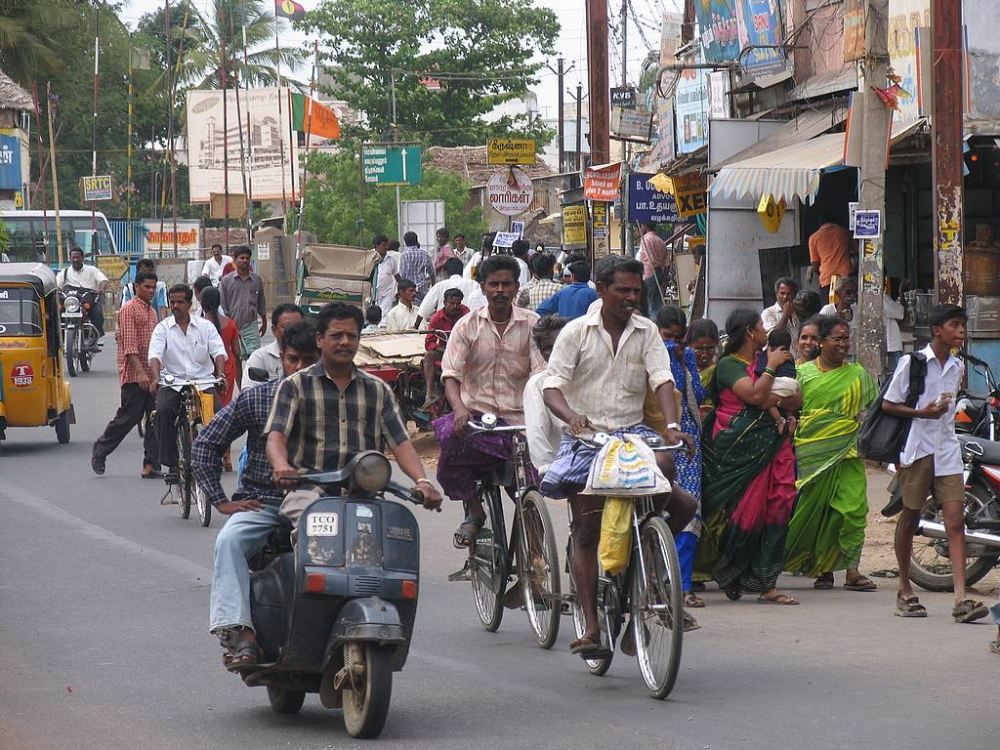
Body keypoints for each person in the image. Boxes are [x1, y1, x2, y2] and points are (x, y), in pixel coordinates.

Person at [540, 255, 695, 654]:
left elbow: (662, 379)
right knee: (586, 532)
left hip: (632, 434)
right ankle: (592, 628)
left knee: (679, 495)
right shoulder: (576, 332)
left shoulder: (647, 331)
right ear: (601, 289)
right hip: (587, 438)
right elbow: (551, 386)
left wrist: (672, 425)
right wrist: (571, 417)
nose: (631, 298)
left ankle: (647, 560)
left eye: (636, 291)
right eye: (622, 290)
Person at [194, 320, 320, 669]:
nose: (300, 368)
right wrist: (221, 501)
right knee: (229, 542)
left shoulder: (335, 403)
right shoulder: (259, 398)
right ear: (282, 358)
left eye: (309, 360)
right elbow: (206, 443)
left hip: (319, 505)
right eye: (293, 359)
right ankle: (240, 635)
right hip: (262, 501)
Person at [265, 303, 442, 527]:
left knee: (394, 537)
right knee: (316, 534)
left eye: (351, 336)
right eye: (336, 335)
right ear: (319, 339)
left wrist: (423, 481)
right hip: (308, 492)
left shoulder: (378, 389)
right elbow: (276, 437)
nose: (345, 342)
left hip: (366, 494)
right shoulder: (295, 385)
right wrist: (281, 465)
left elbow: (401, 443)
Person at [883, 304, 990, 623]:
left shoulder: (957, 366)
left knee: (955, 522)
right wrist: (922, 412)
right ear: (937, 330)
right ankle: (904, 589)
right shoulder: (913, 363)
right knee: (910, 518)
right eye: (954, 325)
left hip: (947, 450)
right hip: (917, 449)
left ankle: (961, 599)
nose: (961, 331)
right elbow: (889, 404)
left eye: (962, 325)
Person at [435, 255, 544, 547]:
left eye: (506, 284)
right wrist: (459, 409)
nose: (500, 290)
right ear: (483, 287)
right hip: (477, 420)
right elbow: (451, 375)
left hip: (520, 422)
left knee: (530, 488)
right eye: (494, 284)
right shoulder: (466, 326)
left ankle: (535, 553)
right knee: (449, 440)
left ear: (516, 287)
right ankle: (475, 510)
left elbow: (541, 374)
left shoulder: (533, 324)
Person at [701, 308, 801, 605]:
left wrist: (772, 396)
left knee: (779, 506)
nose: (764, 330)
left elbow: (797, 396)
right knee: (745, 511)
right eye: (760, 325)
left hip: (774, 443)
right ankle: (732, 573)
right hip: (739, 444)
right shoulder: (728, 365)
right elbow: (754, 396)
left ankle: (766, 583)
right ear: (748, 331)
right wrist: (770, 373)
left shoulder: (765, 359)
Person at [785, 314, 878, 591]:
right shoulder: (803, 374)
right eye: (837, 339)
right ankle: (822, 568)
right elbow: (791, 410)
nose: (843, 344)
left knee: (853, 510)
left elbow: (874, 409)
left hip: (848, 451)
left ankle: (852, 570)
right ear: (822, 342)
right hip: (812, 453)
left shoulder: (858, 375)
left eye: (846, 339)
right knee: (818, 511)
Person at [653, 306, 707, 617]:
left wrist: (681, 361)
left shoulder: (685, 356)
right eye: (666, 336)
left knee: (690, 510)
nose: (671, 342)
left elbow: (697, 393)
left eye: (677, 337)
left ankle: (684, 585)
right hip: (655, 436)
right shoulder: (648, 353)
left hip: (686, 440)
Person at [148, 284, 228, 486]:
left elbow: (219, 352)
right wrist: (156, 378)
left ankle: (213, 457)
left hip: (202, 382)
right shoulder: (162, 328)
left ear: (190, 303)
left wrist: (220, 376)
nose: (175, 306)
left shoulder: (205, 327)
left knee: (219, 416)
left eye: (180, 302)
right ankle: (172, 465)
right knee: (163, 411)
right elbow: (155, 355)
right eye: (172, 302)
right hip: (173, 381)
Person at [91, 270, 161, 479]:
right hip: (134, 376)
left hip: (152, 374)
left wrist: (156, 374)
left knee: (155, 418)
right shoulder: (128, 309)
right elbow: (130, 347)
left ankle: (151, 464)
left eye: (153, 287)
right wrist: (140, 374)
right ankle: (101, 449)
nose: (150, 291)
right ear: (136, 287)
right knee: (128, 418)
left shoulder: (152, 312)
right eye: (147, 287)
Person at [523, 316, 570, 475]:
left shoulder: (590, 375)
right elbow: (537, 432)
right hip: (564, 467)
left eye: (560, 344)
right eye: (547, 348)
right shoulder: (538, 384)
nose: (554, 352)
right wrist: (549, 469)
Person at [422, 288, 469, 408]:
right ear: (444, 302)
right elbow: (429, 343)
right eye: (451, 303)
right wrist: (444, 350)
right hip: (444, 351)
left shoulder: (466, 314)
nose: (455, 306)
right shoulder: (436, 318)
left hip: (464, 351)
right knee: (429, 356)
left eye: (458, 303)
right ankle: (429, 393)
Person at [219, 245, 267, 359]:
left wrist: (264, 322)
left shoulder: (256, 280)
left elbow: (261, 302)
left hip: (251, 325)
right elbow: (223, 306)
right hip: (232, 324)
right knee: (236, 356)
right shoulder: (226, 281)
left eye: (247, 258)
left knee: (255, 357)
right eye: (242, 258)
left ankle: (250, 372)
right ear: (235, 260)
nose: (245, 260)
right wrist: (229, 324)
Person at [240, 303, 304, 390]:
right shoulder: (260, 357)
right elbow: (248, 392)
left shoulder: (314, 355)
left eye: (297, 326)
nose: (292, 331)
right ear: (274, 329)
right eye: (286, 327)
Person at [753, 327, 801, 433]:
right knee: (784, 395)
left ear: (769, 344)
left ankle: (779, 420)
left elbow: (760, 370)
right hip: (792, 384)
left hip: (780, 382)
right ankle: (790, 417)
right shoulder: (789, 355)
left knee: (765, 396)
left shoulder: (767, 355)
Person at [199, 287, 240, 406]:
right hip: (227, 372)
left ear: (202, 303)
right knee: (224, 407)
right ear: (219, 302)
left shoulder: (198, 325)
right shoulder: (230, 324)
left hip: (205, 373)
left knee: (207, 407)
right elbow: (237, 352)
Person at [414, 257, 484, 326]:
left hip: (444, 327)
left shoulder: (439, 286)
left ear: (446, 272)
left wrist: (416, 325)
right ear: (462, 271)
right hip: (469, 325)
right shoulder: (475, 284)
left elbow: (425, 308)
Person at [57, 246, 108, 337]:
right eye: (73, 257)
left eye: (78, 257)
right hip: (71, 300)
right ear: (70, 258)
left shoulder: (92, 270)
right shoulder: (65, 272)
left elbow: (103, 280)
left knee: (97, 313)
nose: (75, 260)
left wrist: (101, 289)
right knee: (56, 312)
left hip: (88, 298)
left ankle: (96, 336)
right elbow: (56, 285)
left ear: (82, 258)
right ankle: (58, 336)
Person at [808, 214, 853, 302]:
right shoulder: (844, 233)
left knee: (828, 307)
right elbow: (856, 250)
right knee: (847, 304)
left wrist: (822, 272)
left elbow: (815, 265)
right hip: (845, 277)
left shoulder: (814, 238)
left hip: (827, 279)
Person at [637, 221, 672, 318]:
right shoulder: (660, 241)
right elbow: (667, 262)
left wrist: (656, 267)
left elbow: (650, 258)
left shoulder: (645, 239)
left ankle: (651, 322)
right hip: (659, 273)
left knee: (648, 303)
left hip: (649, 274)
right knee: (656, 302)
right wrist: (664, 278)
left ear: (645, 226)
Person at [688, 317, 720, 418]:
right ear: (689, 345)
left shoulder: (718, 372)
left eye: (710, 349)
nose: (704, 354)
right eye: (699, 349)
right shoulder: (683, 369)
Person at [399, 231, 435, 303]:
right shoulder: (424, 254)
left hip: (409, 289)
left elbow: (402, 274)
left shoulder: (404, 255)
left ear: (405, 242)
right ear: (416, 240)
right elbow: (432, 272)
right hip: (422, 288)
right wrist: (433, 285)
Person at [373, 234, 400, 313]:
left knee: (384, 315)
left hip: (387, 294)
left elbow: (397, 276)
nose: (386, 247)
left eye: (387, 245)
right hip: (373, 294)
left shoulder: (391, 260)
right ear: (376, 246)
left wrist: (401, 289)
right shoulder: (370, 259)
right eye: (383, 245)